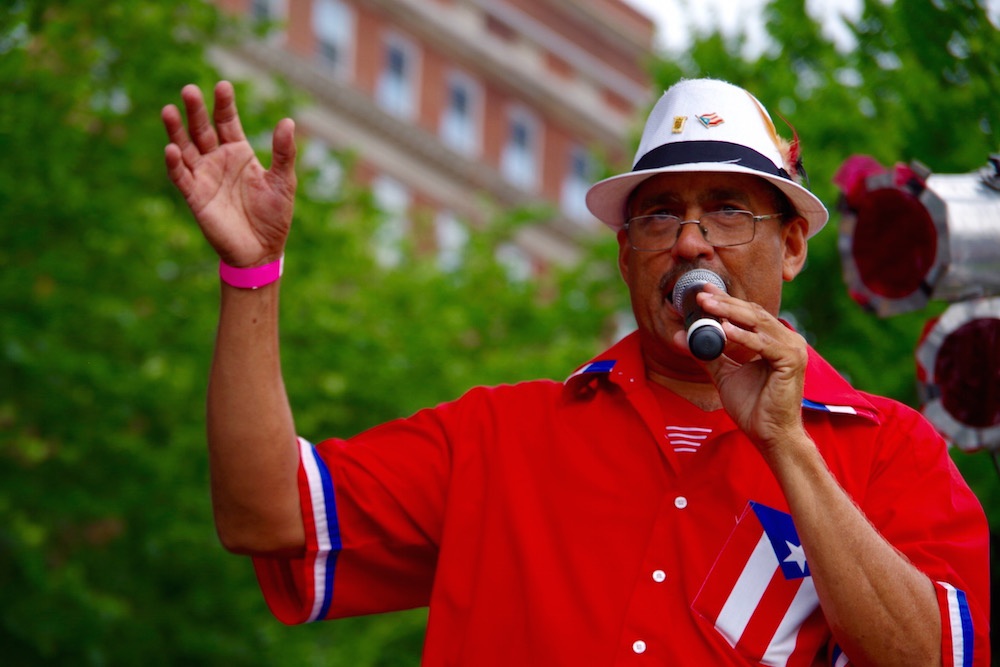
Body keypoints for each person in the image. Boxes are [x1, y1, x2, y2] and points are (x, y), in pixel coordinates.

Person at [161, 77, 990, 666]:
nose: (692, 242)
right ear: (627, 250)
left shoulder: (892, 453)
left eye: (728, 210)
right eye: (661, 211)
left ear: (794, 245)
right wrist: (250, 275)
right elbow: (263, 515)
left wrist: (788, 445)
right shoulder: (498, 435)